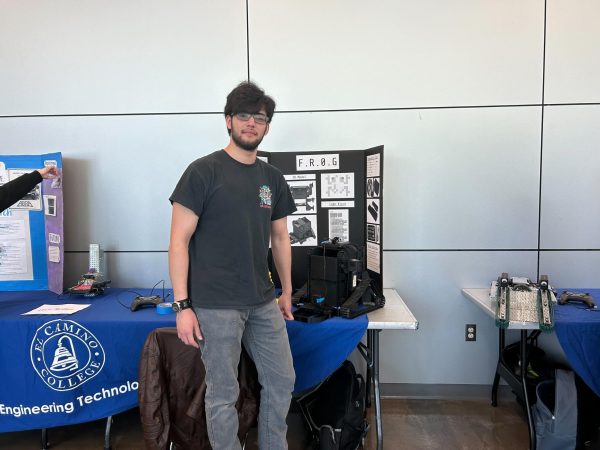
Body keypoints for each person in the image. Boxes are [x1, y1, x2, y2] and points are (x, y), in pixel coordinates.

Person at [168, 81, 296, 449]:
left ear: (267, 126)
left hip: (262, 300)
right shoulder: (202, 171)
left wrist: (286, 292)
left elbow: (281, 238)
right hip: (215, 303)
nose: (252, 123)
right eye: (244, 116)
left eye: (260, 118)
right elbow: (178, 242)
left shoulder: (271, 178)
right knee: (223, 392)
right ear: (228, 121)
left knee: (281, 379)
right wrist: (182, 306)